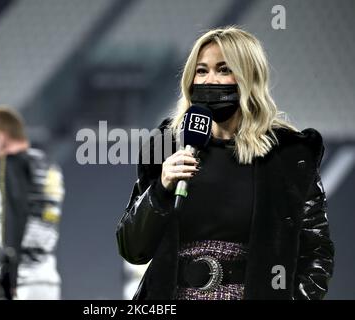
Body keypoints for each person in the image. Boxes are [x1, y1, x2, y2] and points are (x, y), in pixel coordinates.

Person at [116, 27, 334, 300]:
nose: (210, 81)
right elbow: (132, 248)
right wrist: (161, 188)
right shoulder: (168, 144)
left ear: (248, 77)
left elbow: (316, 252)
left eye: (223, 69)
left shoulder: (289, 154)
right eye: (201, 70)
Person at [0, 106, 65, 299]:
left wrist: (11, 277)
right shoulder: (47, 165)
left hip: (19, 281)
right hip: (47, 279)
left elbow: (14, 215)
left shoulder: (11, 164)